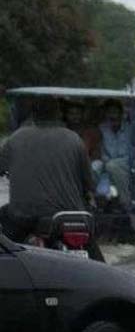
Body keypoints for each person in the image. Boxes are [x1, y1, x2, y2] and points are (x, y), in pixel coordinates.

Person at [0, 98, 95, 243]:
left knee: (7, 249)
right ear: (59, 114)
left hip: (24, 215)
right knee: (93, 258)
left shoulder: (16, 138)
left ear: (33, 115)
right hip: (69, 214)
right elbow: (89, 182)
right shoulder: (73, 139)